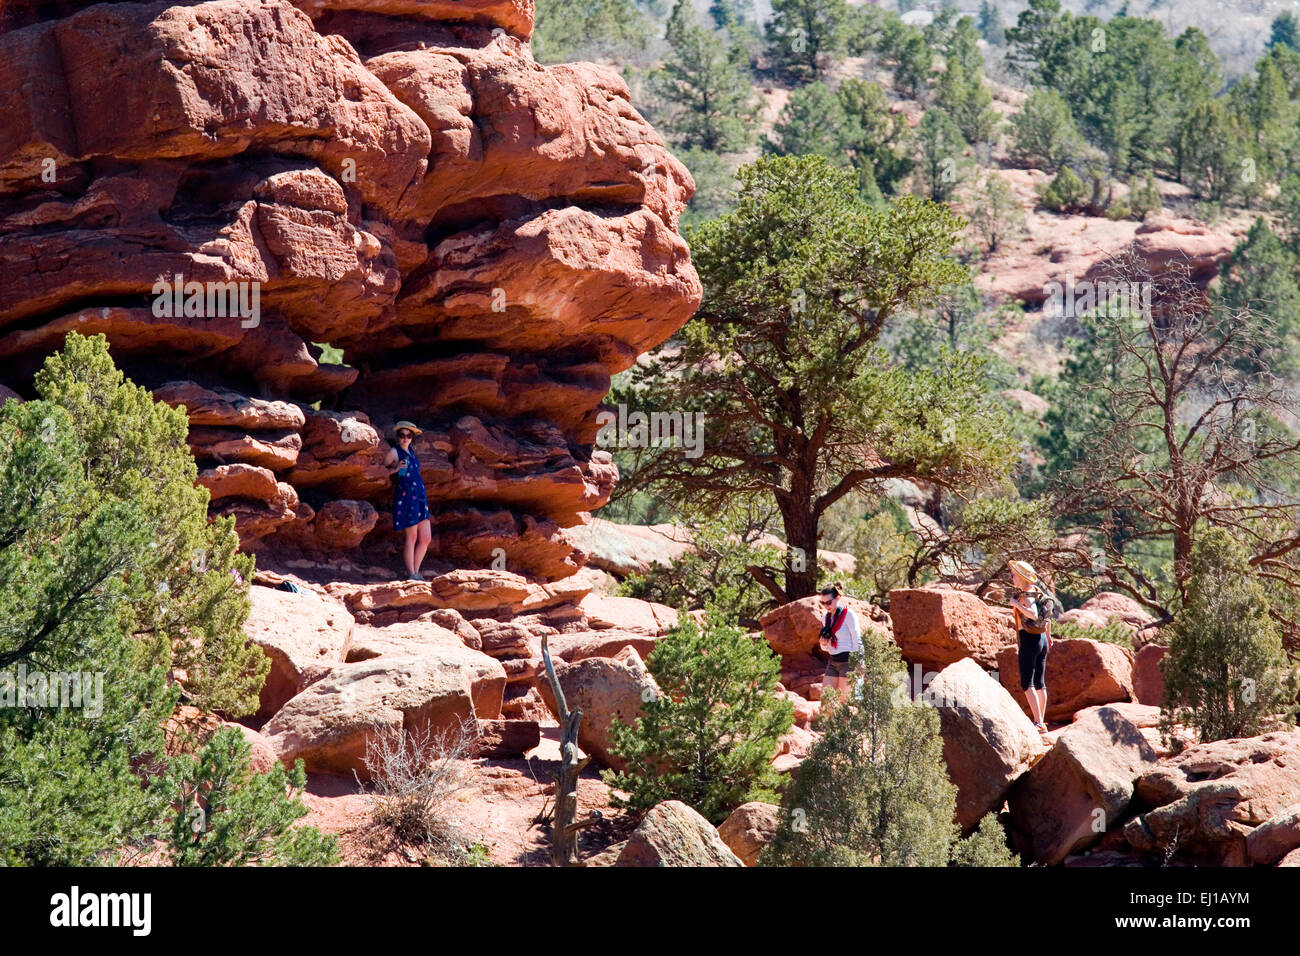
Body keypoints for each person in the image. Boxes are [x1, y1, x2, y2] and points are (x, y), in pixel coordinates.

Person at [1008, 559, 1052, 736]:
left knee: (1027, 683)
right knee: (1040, 683)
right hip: (1041, 639)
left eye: (1013, 575)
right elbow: (1046, 617)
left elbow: (1033, 615)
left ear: (1020, 577)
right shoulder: (1037, 591)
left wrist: (1016, 604)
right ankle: (1041, 721)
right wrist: (1048, 637)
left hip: (1029, 640)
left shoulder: (1026, 595)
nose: (1011, 578)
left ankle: (1038, 722)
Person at [383, 420, 432, 581]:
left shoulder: (411, 451)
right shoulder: (394, 452)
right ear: (398, 437)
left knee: (425, 538)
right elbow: (382, 470)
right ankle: (411, 574)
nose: (405, 438)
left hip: (419, 497)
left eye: (408, 435)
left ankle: (416, 571)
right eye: (402, 435)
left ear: (412, 437)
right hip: (406, 496)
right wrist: (395, 469)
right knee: (411, 536)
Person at [818, 584, 862, 706]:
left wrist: (859, 661)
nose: (826, 606)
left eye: (829, 602)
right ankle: (828, 725)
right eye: (823, 603)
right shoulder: (825, 618)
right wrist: (823, 644)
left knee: (843, 700)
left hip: (848, 661)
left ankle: (846, 725)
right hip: (832, 661)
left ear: (837, 598)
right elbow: (825, 646)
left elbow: (856, 637)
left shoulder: (848, 614)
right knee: (826, 699)